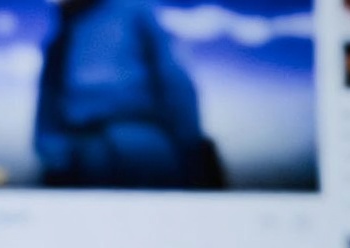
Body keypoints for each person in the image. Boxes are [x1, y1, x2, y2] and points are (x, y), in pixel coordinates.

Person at [33, 0, 223, 188]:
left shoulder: (133, 8)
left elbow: (174, 81)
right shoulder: (66, 25)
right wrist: (54, 155)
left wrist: (190, 148)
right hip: (82, 150)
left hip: (140, 142)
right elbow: (49, 99)